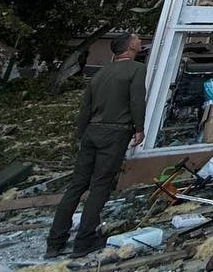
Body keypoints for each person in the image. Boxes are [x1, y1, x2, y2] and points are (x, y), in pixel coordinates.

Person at [47, 32, 146, 258]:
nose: (140, 41)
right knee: (100, 185)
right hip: (115, 132)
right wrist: (139, 128)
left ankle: (55, 241)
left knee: (77, 185)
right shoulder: (136, 69)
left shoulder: (100, 73)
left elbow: (86, 107)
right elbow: (136, 99)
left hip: (92, 131)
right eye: (137, 39)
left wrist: (81, 134)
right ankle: (85, 240)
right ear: (130, 46)